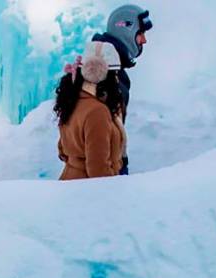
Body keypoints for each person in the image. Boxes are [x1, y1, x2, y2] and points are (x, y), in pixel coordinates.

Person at [92, 4, 153, 174]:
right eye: (140, 34)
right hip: (101, 179)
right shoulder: (105, 74)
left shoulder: (111, 70)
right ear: (126, 30)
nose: (144, 41)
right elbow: (99, 135)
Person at [57, 41, 128, 180]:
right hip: (88, 194)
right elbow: (98, 171)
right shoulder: (97, 112)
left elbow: (62, 151)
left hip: (70, 182)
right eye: (115, 74)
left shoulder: (73, 101)